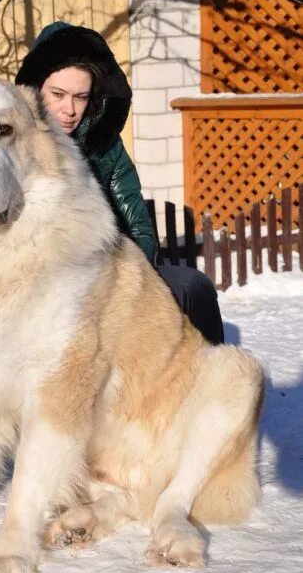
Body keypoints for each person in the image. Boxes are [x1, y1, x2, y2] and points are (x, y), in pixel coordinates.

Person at [15, 21, 224, 344]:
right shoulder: (11, 147)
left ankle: (207, 382)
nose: (69, 109)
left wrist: (129, 285)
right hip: (39, 287)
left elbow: (138, 226)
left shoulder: (105, 146)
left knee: (192, 286)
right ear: (35, 89)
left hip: (114, 272)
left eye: (80, 97)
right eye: (58, 94)